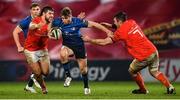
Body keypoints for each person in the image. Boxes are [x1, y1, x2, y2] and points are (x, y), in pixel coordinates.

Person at [82, 12, 175, 94]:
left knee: (132, 70)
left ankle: (143, 90)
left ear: (119, 21)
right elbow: (122, 27)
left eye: (114, 21)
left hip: (144, 55)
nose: (113, 23)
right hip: (153, 51)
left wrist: (89, 40)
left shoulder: (120, 33)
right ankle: (170, 87)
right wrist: (110, 26)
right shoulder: (132, 22)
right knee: (154, 71)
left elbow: (104, 42)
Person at [52, 7, 113, 95]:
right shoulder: (58, 22)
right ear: (61, 17)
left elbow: (94, 24)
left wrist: (107, 31)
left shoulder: (77, 21)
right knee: (62, 53)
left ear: (71, 16)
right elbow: (48, 26)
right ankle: (68, 76)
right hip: (67, 46)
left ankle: (86, 87)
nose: (65, 20)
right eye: (63, 18)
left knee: (83, 70)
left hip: (79, 46)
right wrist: (50, 34)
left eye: (67, 18)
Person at [23, 6, 54, 94]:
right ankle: (43, 88)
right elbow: (31, 26)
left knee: (46, 72)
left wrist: (52, 35)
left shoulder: (51, 22)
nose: (52, 15)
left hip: (42, 49)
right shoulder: (37, 20)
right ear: (44, 13)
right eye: (50, 13)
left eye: (52, 14)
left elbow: (49, 31)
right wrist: (37, 25)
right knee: (37, 73)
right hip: (30, 50)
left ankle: (33, 80)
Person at [13, 3, 41, 93]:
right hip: (30, 46)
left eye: (37, 9)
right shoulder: (26, 21)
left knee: (41, 66)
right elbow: (15, 32)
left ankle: (29, 86)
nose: (36, 11)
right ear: (30, 11)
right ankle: (35, 78)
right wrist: (18, 46)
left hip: (40, 46)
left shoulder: (43, 19)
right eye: (34, 9)